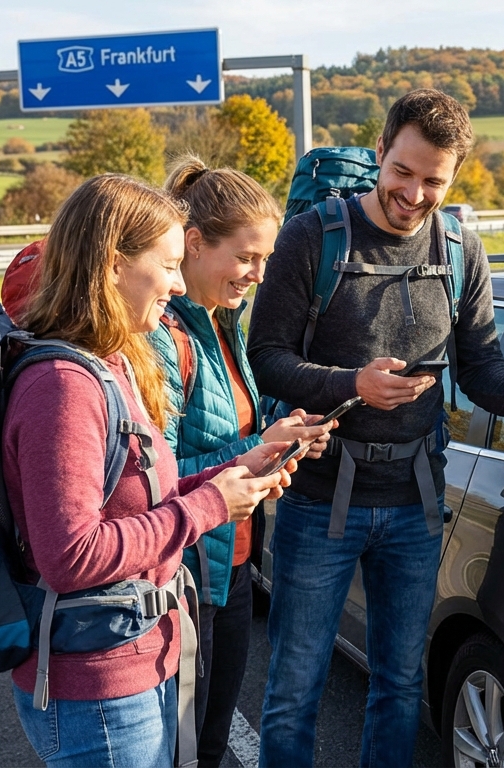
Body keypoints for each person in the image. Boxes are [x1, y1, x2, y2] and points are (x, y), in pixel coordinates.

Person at [248, 88, 504, 767]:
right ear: (380, 152)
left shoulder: (462, 250)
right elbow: (266, 361)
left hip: (414, 505)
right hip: (319, 498)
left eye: (433, 180)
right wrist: (352, 384)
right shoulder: (312, 238)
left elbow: (480, 367)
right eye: (402, 172)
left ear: (454, 178)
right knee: (296, 688)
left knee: (401, 683)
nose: (413, 193)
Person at [3, 173, 296, 768]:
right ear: (113, 266)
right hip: (98, 685)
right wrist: (212, 504)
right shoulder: (63, 386)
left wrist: (237, 469)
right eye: (166, 265)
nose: (178, 282)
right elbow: (72, 555)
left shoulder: (110, 362)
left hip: (133, 657)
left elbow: (145, 497)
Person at [151, 156, 334, 768]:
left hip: (228, 563)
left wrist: (284, 439)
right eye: (247, 257)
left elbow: (234, 434)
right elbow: (153, 473)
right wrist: (256, 450)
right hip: (182, 572)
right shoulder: (161, 333)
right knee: (183, 746)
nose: (259, 275)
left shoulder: (221, 323)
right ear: (195, 244)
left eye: (266, 260)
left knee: (207, 743)